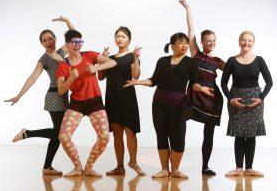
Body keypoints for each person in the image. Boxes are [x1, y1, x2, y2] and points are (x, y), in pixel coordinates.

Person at [124, 32, 214, 178]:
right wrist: (137, 82)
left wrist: (201, 88)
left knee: (178, 137)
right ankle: (164, 169)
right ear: (172, 46)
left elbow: (194, 83)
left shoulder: (191, 62)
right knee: (161, 136)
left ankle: (176, 170)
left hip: (179, 106)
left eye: (186, 43)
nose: (184, 45)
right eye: (180, 43)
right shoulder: (162, 61)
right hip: (159, 105)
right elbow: (154, 80)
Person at [5, 16, 75, 175]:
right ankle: (27, 133)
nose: (49, 41)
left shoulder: (62, 52)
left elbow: (74, 36)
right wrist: (18, 96)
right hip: (54, 97)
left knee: (59, 134)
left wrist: (67, 21)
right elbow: (33, 78)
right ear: (42, 43)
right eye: (45, 40)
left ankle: (47, 167)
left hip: (65, 96)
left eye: (51, 38)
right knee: (60, 133)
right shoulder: (44, 59)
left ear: (55, 39)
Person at [57, 29, 117, 177]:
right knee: (63, 136)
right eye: (74, 42)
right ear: (67, 45)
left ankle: (88, 167)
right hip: (76, 104)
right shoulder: (63, 66)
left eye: (80, 42)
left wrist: (96, 67)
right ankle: (78, 168)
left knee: (104, 137)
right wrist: (71, 78)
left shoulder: (89, 55)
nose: (77, 45)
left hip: (95, 102)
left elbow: (112, 62)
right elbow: (61, 90)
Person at [179, 0, 225, 175]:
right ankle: (173, 164)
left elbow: (235, 69)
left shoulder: (218, 61)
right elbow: (191, 30)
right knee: (178, 125)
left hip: (212, 100)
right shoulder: (195, 54)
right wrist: (188, 8)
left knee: (209, 134)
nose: (211, 43)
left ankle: (205, 166)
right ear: (202, 42)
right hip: (193, 96)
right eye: (208, 40)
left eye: (214, 40)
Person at [221, 31, 273, 176]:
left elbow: (270, 82)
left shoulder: (259, 60)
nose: (246, 43)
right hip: (236, 100)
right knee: (239, 134)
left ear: (253, 42)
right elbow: (223, 83)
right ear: (239, 41)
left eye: (249, 41)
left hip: (254, 101)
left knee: (251, 134)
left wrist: (261, 98)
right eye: (243, 40)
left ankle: (249, 169)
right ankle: (238, 168)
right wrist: (230, 99)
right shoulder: (231, 60)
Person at [97, 26, 145, 176]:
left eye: (123, 36)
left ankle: (133, 162)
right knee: (117, 133)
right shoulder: (110, 59)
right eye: (117, 36)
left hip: (127, 96)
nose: (120, 39)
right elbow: (100, 76)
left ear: (129, 39)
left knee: (130, 131)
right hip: (112, 96)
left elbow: (136, 76)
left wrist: (136, 57)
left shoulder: (132, 56)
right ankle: (119, 167)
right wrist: (101, 59)